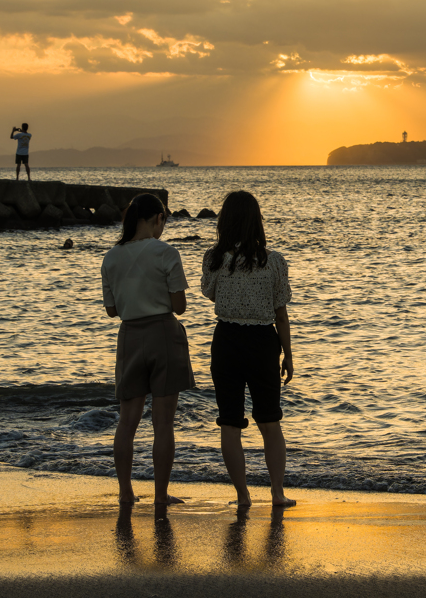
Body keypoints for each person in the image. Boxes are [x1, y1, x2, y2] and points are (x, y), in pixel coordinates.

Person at [201, 190, 296, 508]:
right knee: (270, 422)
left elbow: (211, 295)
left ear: (225, 223)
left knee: (230, 422)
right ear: (257, 222)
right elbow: (280, 313)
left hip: (226, 340)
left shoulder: (216, 259)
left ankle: (242, 496)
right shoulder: (274, 262)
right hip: (262, 343)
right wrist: (289, 355)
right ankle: (277, 493)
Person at [101, 193, 194, 516]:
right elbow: (180, 307)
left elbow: (112, 310)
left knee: (127, 421)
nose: (163, 227)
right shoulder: (165, 252)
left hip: (129, 336)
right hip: (162, 335)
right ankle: (160, 495)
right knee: (163, 423)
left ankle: (125, 491)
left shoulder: (111, 257)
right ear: (157, 218)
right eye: (164, 220)